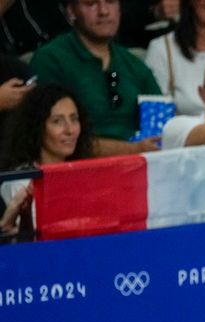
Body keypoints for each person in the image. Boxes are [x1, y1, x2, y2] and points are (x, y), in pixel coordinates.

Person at [29, 0, 162, 156]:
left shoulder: (134, 64)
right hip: (77, 170)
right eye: (91, 3)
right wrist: (132, 150)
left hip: (139, 166)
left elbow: (161, 124)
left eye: (111, 2)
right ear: (71, 12)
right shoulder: (51, 60)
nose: (103, 11)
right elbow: (53, 136)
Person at [0, 84, 93, 236]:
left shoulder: (86, 175)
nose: (70, 130)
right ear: (37, 127)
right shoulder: (20, 182)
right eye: (57, 121)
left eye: (74, 119)